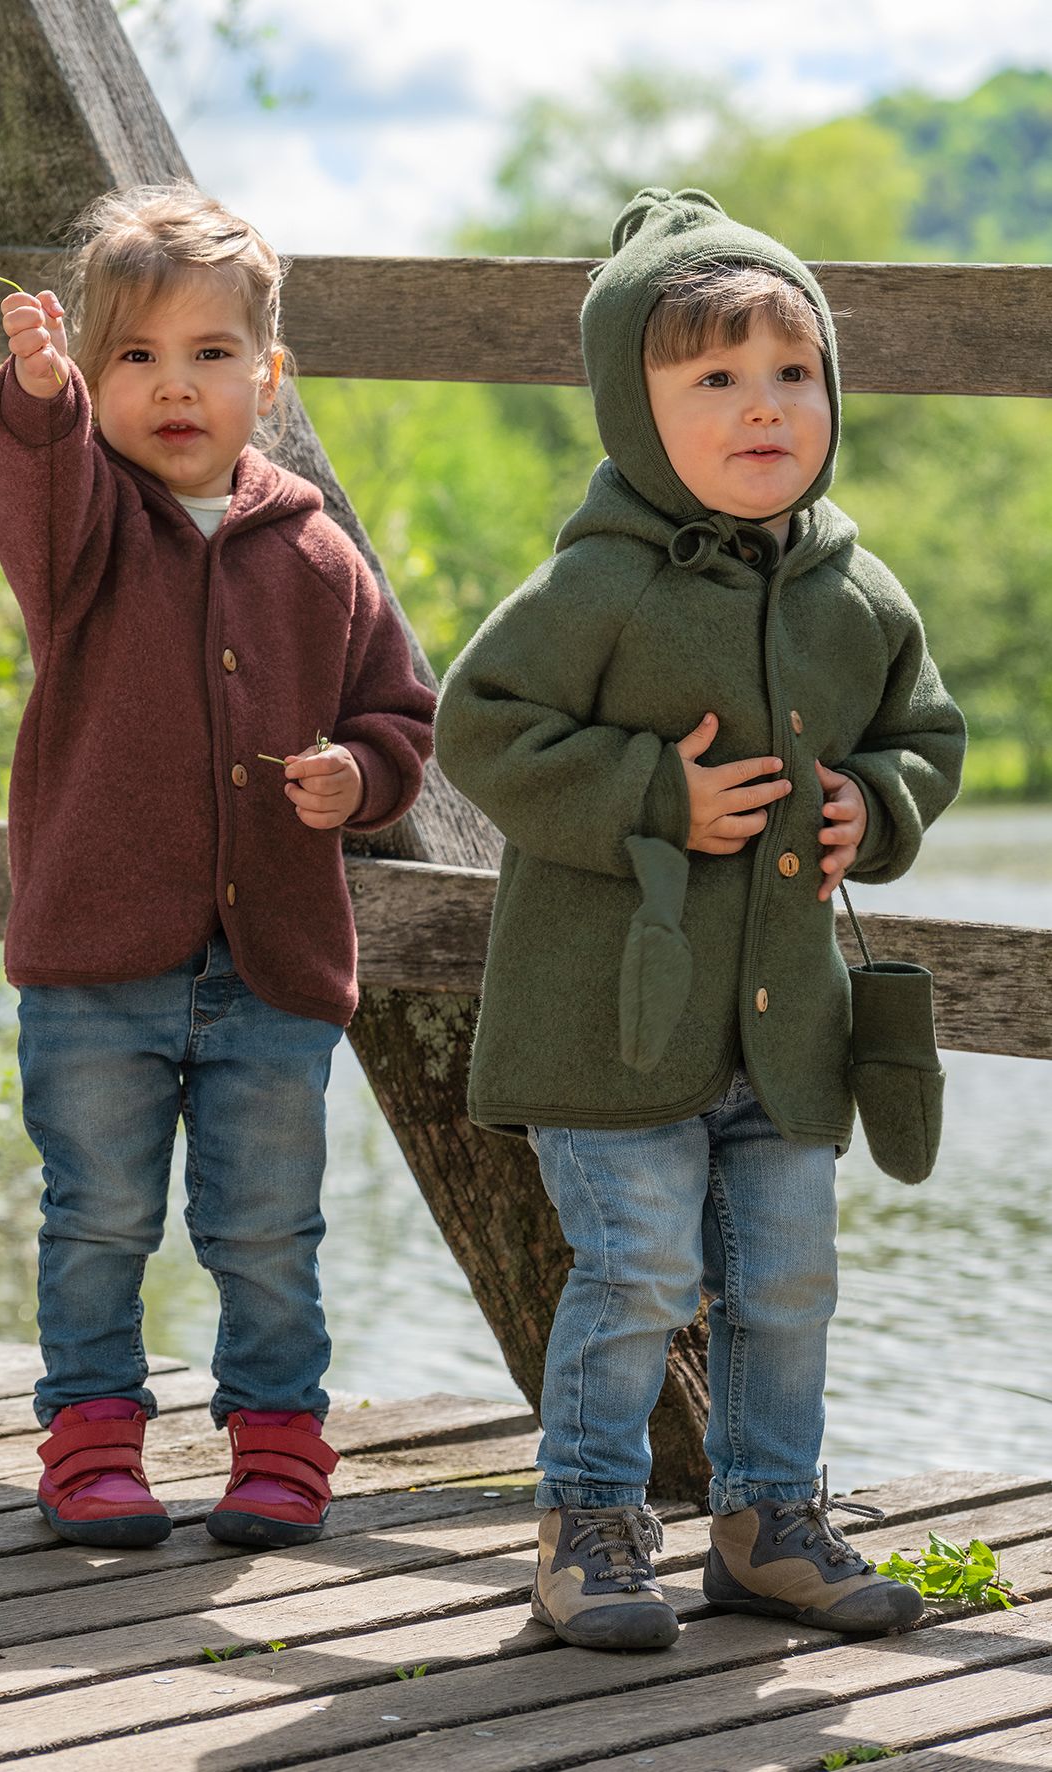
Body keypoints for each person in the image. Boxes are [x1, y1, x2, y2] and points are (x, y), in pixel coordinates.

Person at [434, 188, 965, 1651]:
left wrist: (877, 799)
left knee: (788, 1277)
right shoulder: (595, 582)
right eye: (713, 379)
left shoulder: (854, 590)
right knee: (640, 1270)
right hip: (614, 1013)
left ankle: (764, 1521)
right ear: (632, 405)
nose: (762, 408)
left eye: (790, 374)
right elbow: (477, 726)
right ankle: (589, 1525)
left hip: (789, 1021)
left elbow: (925, 732)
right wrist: (646, 795)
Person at [0, 183, 434, 1551]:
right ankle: (93, 1439)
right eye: (136, 358)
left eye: (209, 354)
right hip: (94, 964)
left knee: (266, 1229)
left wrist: (360, 774)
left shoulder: (316, 552)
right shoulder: (86, 531)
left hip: (274, 973)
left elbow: (399, 711)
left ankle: (280, 1439)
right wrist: (41, 399)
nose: (174, 386)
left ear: (267, 377)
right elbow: (35, 484)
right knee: (98, 1217)